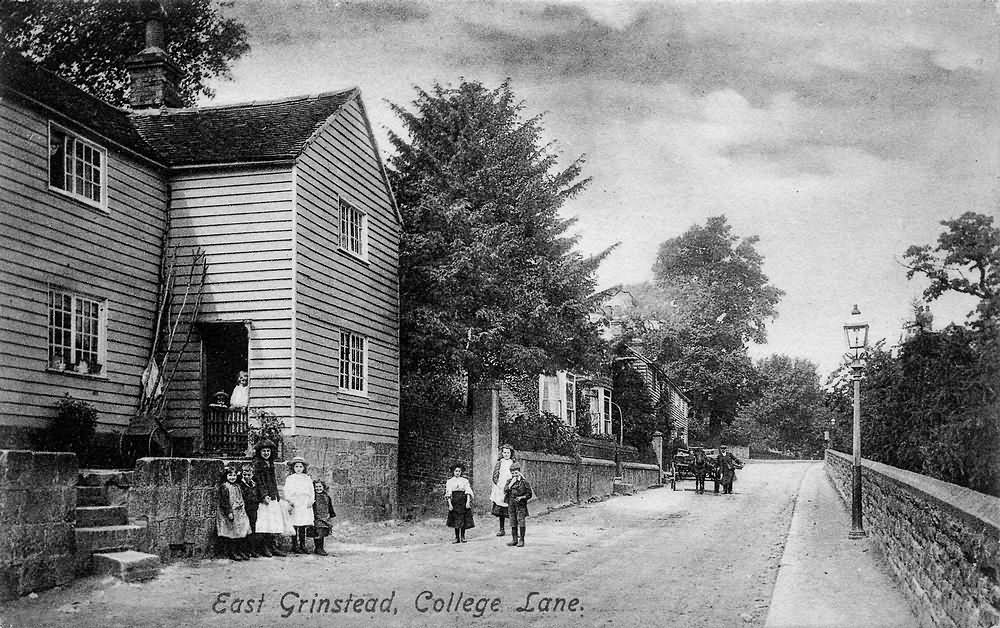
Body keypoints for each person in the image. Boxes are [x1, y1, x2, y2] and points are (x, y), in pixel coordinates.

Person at [252, 439, 287, 556]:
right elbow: (259, 481)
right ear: (259, 452)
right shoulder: (258, 464)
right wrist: (264, 495)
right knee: (265, 522)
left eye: (268, 451)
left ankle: (272, 546)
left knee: (273, 521)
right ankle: (264, 547)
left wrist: (276, 494)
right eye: (264, 451)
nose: (266, 453)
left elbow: (273, 481)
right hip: (264, 498)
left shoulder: (270, 463)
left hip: (272, 496)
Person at [217, 465, 251, 560]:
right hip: (231, 512)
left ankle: (240, 550)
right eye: (230, 475)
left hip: (240, 512)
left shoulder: (237, 486)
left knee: (241, 531)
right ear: (226, 476)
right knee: (232, 532)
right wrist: (229, 512)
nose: (232, 477)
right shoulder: (225, 487)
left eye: (234, 475)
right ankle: (232, 552)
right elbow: (224, 501)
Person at [284, 456, 315, 554]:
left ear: (303, 468)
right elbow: (286, 490)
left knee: (302, 524)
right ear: (293, 468)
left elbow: (311, 490)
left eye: (300, 466)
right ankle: (294, 545)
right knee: (295, 523)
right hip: (295, 502)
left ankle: (302, 544)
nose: (298, 468)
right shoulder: (290, 478)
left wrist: (311, 500)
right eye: (296, 466)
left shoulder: (307, 478)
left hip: (304, 502)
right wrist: (289, 500)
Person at [489, 444, 516, 537]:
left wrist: (511, 486)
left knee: (513, 509)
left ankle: (515, 530)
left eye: (508, 453)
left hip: (511, 487)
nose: (506, 454)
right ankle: (502, 529)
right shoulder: (499, 462)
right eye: (504, 452)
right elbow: (495, 476)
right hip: (500, 489)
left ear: (511, 453)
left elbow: (516, 475)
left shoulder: (513, 463)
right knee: (501, 510)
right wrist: (499, 485)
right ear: (502, 453)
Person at [503, 462, 532, 548]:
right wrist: (511, 483)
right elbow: (505, 490)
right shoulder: (509, 481)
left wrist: (522, 497)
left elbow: (529, 494)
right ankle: (514, 539)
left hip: (521, 505)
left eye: (516, 473)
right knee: (513, 520)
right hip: (511, 504)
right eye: (512, 473)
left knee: (521, 520)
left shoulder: (524, 482)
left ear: (519, 472)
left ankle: (521, 540)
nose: (514, 475)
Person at [445, 463, 475, 543]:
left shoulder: (465, 481)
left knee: (463, 519)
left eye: (459, 471)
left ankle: (463, 536)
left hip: (463, 501)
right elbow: (448, 494)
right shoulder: (450, 481)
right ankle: (457, 537)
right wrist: (450, 504)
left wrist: (468, 502)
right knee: (456, 519)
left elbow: (468, 491)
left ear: (461, 472)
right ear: (453, 472)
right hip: (454, 501)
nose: (457, 473)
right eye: (456, 471)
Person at [238, 462, 263, 557]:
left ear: (252, 475)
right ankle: (243, 550)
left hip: (253, 509)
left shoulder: (254, 484)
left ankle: (252, 550)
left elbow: (258, 495)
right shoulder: (240, 485)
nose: (247, 476)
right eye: (244, 474)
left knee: (253, 529)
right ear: (241, 474)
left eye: (249, 475)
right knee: (244, 529)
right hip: (244, 509)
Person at [308, 479, 335, 556]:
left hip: (324, 517)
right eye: (316, 487)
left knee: (322, 532)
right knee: (317, 532)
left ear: (323, 487)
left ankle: (320, 547)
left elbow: (330, 506)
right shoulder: (313, 497)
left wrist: (331, 514)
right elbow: (311, 507)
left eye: (320, 486)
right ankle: (318, 548)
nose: (318, 488)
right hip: (316, 517)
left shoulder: (327, 497)